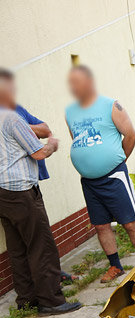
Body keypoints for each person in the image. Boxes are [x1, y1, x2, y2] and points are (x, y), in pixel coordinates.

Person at [0, 69, 81, 314]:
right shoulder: (12, 118)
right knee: (41, 246)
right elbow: (39, 152)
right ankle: (51, 301)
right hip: (21, 192)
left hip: (2, 193)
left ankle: (26, 300)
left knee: (17, 249)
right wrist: (53, 144)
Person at [65, 65, 135, 283]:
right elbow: (76, 139)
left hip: (114, 176)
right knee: (101, 226)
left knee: (129, 223)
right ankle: (115, 266)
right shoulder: (69, 112)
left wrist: (118, 161)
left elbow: (130, 134)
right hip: (89, 182)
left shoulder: (111, 105)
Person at [13, 95, 77, 284]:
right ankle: (50, 295)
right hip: (19, 188)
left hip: (26, 184)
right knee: (40, 241)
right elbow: (40, 152)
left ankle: (28, 297)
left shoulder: (15, 109)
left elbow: (45, 129)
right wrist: (47, 143)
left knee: (24, 243)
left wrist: (24, 127)